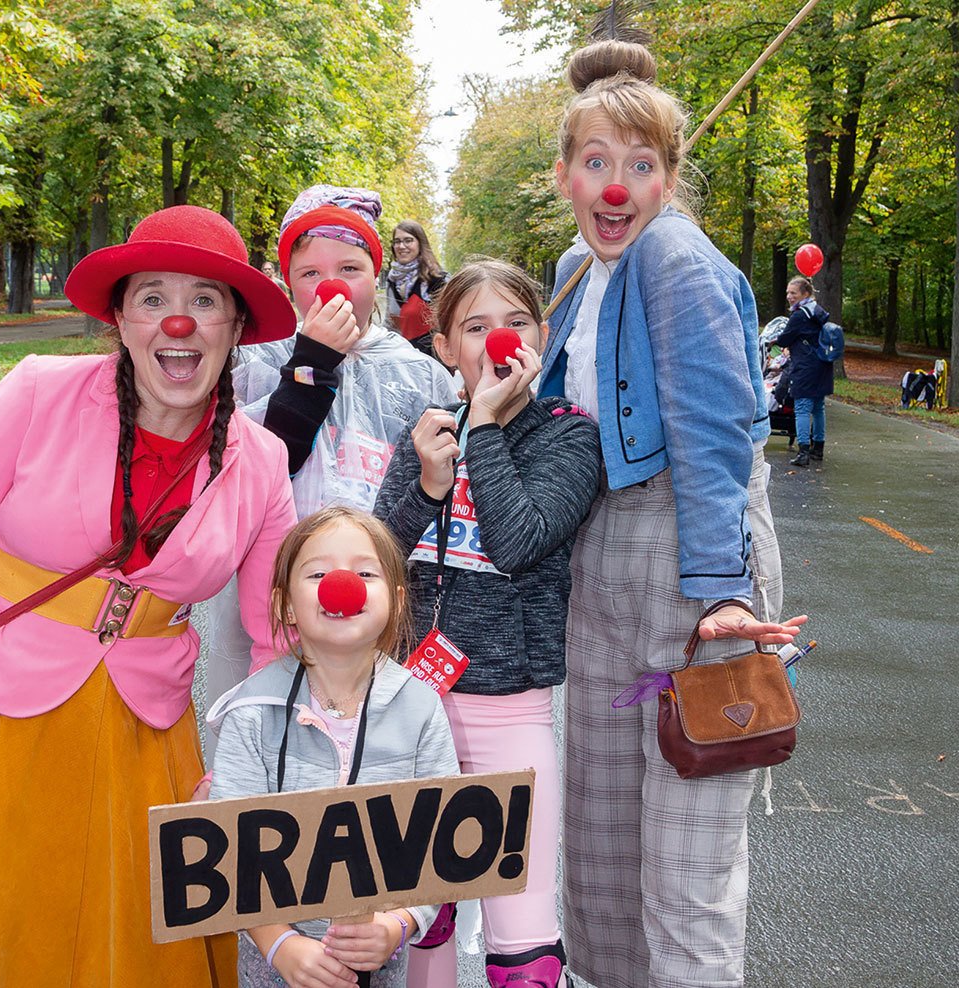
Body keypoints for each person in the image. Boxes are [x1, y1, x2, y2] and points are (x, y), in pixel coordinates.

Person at [0, 205, 300, 988]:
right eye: (153, 298)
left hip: (144, 730)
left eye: (205, 300)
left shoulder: (261, 460)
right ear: (121, 319)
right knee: (3, 939)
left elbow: (273, 638)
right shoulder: (38, 391)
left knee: (138, 950)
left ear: (235, 326)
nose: (178, 322)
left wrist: (267, 770)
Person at [537, 38, 807, 988]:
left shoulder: (677, 262)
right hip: (601, 561)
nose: (617, 188)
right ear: (567, 173)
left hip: (697, 566)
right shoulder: (575, 265)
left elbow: (719, 436)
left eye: (641, 166)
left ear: (668, 176)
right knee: (600, 861)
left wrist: (725, 595)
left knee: (687, 877)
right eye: (598, 163)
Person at [373, 260, 601, 988]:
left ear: (542, 336)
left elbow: (518, 540)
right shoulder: (426, 434)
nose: (497, 341)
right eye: (475, 327)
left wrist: (488, 430)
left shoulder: (569, 434)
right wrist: (427, 487)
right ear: (444, 347)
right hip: (411, 709)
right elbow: (377, 554)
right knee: (420, 915)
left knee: (523, 940)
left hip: (512, 712)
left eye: (516, 323)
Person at [207, 506, 460, 987]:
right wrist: (279, 944)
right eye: (319, 573)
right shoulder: (252, 711)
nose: (341, 584)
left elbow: (439, 848)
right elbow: (229, 852)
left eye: (365, 572)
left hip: (377, 970)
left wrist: (396, 925)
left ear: (397, 601)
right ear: (284, 605)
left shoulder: (422, 710)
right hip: (273, 969)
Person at [234, 185, 457, 518]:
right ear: (290, 285)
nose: (332, 287)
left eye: (349, 269)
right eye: (310, 273)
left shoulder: (421, 373)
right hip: (285, 558)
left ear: (375, 276)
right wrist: (310, 361)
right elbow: (249, 476)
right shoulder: (259, 361)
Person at [776, 275, 833, 467]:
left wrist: (774, 342)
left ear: (805, 293)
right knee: (818, 408)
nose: (789, 296)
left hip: (805, 367)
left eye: (793, 293)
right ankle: (818, 449)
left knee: (801, 408)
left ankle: (803, 452)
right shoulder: (818, 311)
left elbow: (784, 339)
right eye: (787, 293)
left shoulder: (800, 315)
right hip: (822, 365)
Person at [384, 220, 449, 356]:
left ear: (420, 243)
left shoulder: (437, 280)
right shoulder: (392, 280)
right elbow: (390, 323)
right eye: (397, 241)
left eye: (408, 240)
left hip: (433, 360)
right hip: (401, 359)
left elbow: (450, 322)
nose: (401, 246)